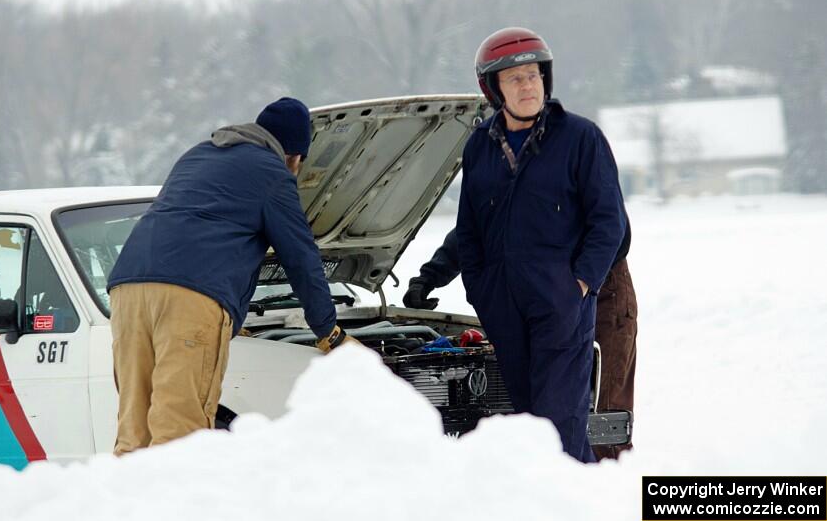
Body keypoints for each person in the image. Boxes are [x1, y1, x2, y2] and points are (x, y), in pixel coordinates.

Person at [106, 97, 356, 456]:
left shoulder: (197, 155)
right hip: (188, 297)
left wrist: (232, 318)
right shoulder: (273, 175)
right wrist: (328, 332)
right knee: (179, 435)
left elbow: (201, 230)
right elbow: (301, 258)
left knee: (135, 433)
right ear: (295, 156)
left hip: (127, 290)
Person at [455, 27, 626, 463]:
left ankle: (577, 502)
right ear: (494, 88)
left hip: (562, 305)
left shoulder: (579, 138)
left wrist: (581, 284)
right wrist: (480, 288)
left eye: (533, 75)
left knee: (559, 424)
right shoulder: (479, 147)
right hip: (504, 309)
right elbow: (469, 228)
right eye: (515, 79)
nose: (527, 85)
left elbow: (609, 222)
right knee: (528, 422)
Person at [403, 224, 637, 460]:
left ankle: (609, 490)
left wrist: (579, 281)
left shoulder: (581, 188)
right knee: (549, 417)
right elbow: (475, 225)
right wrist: (430, 276)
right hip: (543, 300)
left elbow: (613, 228)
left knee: (601, 416)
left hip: (599, 291)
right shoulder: (504, 188)